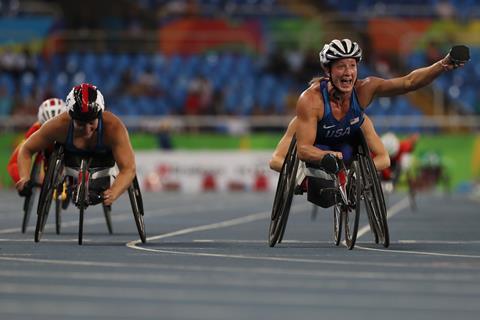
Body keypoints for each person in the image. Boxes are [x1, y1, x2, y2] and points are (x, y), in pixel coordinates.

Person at [280, 38, 466, 208]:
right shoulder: (310, 100)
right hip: (320, 149)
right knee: (322, 193)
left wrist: (443, 64)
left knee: (374, 161)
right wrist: (326, 156)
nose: (348, 72)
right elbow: (303, 149)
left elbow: (409, 82)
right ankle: (306, 178)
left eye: (352, 66)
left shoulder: (365, 89)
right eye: (341, 66)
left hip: (348, 143)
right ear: (328, 70)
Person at [15, 83, 136, 206]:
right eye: (80, 124)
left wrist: (113, 192)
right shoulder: (59, 126)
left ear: (99, 115)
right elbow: (26, 149)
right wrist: (24, 177)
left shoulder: (114, 128)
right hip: (70, 163)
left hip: (103, 162)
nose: (87, 130)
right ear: (71, 117)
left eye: (91, 122)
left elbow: (129, 169)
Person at [7, 97, 66, 184]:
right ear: (41, 124)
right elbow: (14, 163)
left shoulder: (72, 125)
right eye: (47, 129)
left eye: (57, 128)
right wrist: (23, 181)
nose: (53, 134)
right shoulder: (36, 128)